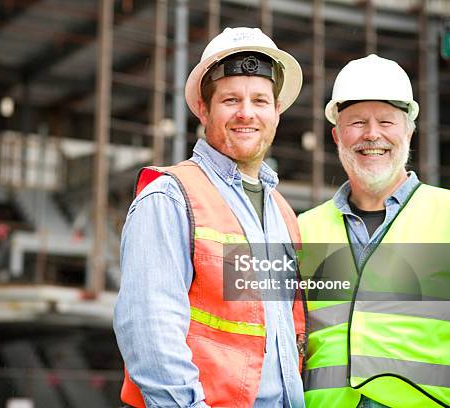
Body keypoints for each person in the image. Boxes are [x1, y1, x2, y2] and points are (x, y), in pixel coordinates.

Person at [114, 27, 306, 408]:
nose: (246, 113)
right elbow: (151, 334)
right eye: (231, 99)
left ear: (277, 111)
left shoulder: (282, 213)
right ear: (203, 110)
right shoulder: (170, 197)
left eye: (260, 101)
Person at [298, 54, 450, 408]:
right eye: (357, 122)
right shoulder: (301, 229)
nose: (372, 134)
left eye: (386, 121)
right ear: (336, 135)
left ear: (408, 130)